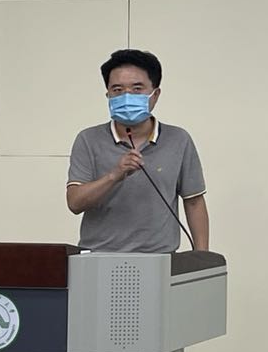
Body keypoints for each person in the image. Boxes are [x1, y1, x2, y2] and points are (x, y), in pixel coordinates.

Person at [66, 48, 209, 253]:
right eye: (117, 89)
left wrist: (202, 258)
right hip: (98, 257)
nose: (127, 96)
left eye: (137, 88)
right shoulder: (88, 139)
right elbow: (75, 203)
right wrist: (114, 175)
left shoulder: (179, 139)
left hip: (160, 258)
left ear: (155, 94)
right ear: (108, 95)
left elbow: (194, 201)